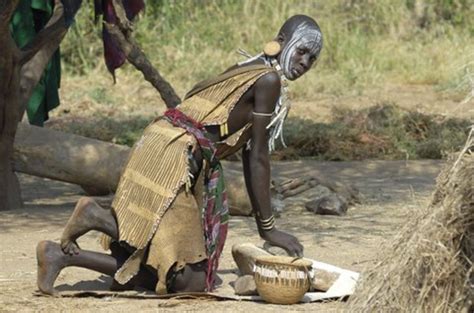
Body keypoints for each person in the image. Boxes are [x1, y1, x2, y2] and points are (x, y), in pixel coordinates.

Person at [36, 14, 323, 296]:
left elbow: (249, 153)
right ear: (281, 41)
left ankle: (60, 254)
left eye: (313, 59)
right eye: (301, 51)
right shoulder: (268, 80)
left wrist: (264, 226)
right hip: (175, 158)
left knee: (156, 262)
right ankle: (97, 219)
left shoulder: (250, 68)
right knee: (190, 282)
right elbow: (259, 155)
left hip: (161, 142)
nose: (305, 63)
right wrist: (269, 230)